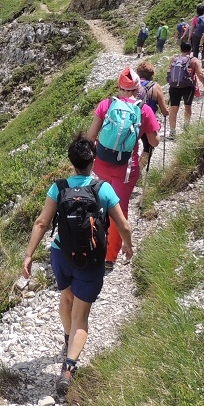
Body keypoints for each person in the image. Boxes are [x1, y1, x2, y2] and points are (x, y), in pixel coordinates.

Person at [22, 131, 133, 398]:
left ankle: (67, 338)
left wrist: (28, 255)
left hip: (61, 253)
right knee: (82, 314)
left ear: (71, 162)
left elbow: (41, 222)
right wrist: (128, 245)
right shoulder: (102, 188)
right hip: (91, 258)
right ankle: (69, 367)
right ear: (93, 161)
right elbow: (123, 224)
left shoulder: (58, 188)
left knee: (66, 297)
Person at [87, 67, 159, 272]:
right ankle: (110, 257)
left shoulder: (107, 105)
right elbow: (154, 141)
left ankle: (94, 245)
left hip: (101, 165)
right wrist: (155, 132)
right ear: (137, 89)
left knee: (99, 204)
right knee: (119, 210)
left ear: (119, 88)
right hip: (126, 168)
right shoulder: (144, 110)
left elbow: (91, 136)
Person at [166, 41, 204, 140]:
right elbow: (200, 74)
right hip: (188, 87)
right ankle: (186, 129)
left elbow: (169, 72)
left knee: (173, 108)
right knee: (187, 106)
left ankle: (172, 132)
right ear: (191, 49)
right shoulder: (194, 60)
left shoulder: (174, 59)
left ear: (180, 49)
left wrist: (171, 82)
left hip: (174, 87)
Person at [135, 61, 169, 169]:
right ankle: (138, 172)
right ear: (152, 74)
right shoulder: (156, 87)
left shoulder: (133, 86)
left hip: (132, 120)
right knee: (148, 148)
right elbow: (164, 111)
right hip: (147, 123)